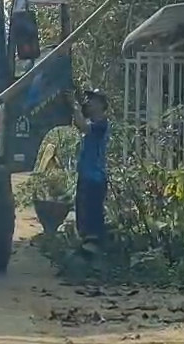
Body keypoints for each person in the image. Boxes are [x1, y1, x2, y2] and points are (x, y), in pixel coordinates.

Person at [65, 88, 110, 254]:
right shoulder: (94, 123)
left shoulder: (101, 125)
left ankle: (93, 251)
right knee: (83, 214)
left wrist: (74, 107)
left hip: (95, 178)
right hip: (86, 175)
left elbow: (83, 127)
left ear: (100, 105)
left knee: (92, 217)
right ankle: (86, 248)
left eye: (92, 100)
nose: (88, 103)